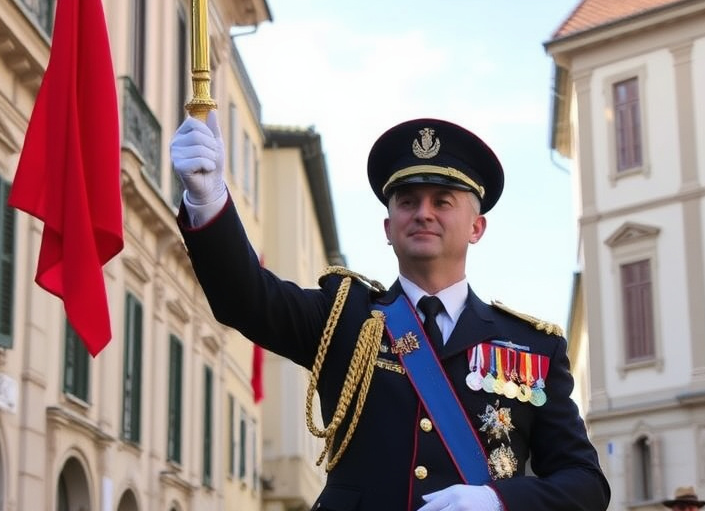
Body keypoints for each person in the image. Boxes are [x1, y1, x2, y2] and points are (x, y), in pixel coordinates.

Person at [170, 113, 611, 511]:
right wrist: (208, 199)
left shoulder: (532, 347)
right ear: (388, 228)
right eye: (407, 201)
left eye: (442, 201)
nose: (423, 213)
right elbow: (245, 298)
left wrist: (497, 500)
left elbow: (585, 484)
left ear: (476, 228)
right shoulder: (342, 318)